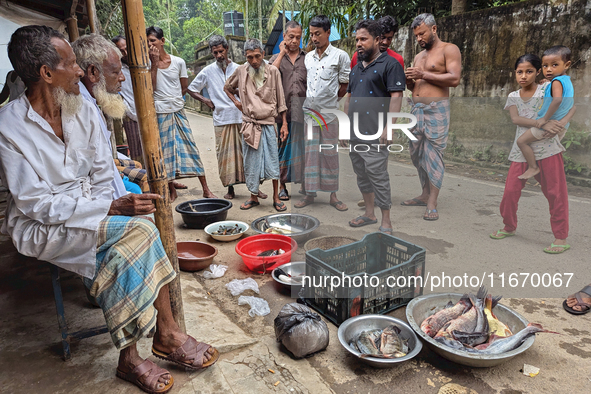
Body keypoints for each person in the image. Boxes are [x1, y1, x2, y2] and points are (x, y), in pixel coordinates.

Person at [0, 25, 218, 394]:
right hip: (42, 225)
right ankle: (162, 336)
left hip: (89, 210)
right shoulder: (9, 127)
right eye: (71, 63)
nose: (81, 72)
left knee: (128, 240)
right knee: (140, 231)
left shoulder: (80, 108)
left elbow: (103, 176)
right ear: (46, 73)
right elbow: (35, 204)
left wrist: (113, 206)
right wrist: (109, 208)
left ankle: (137, 354)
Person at [490, 54, 575, 254]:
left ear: (538, 72)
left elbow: (567, 104)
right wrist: (541, 122)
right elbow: (515, 119)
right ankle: (508, 226)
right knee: (510, 191)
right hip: (522, 150)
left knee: (555, 193)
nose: (523, 76)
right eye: (519, 71)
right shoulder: (513, 96)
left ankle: (561, 238)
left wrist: (560, 124)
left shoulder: (547, 88)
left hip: (547, 148)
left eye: (529, 71)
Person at [345, 20, 405, 234]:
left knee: (378, 175)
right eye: (356, 40)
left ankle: (386, 219)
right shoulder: (356, 69)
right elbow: (349, 98)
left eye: (363, 39)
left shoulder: (390, 65)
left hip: (376, 132)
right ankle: (369, 213)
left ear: (378, 40)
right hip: (355, 132)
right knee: (361, 174)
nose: (358, 44)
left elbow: (396, 97)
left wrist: (389, 127)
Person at [72, 34, 148, 195]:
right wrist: (120, 202)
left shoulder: (91, 102)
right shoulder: (83, 107)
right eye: (116, 72)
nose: (122, 78)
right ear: (93, 72)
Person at [402, 13, 461, 221]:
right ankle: (424, 193)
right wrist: (409, 81)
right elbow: (417, 84)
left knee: (433, 155)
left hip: (437, 110)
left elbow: (454, 79)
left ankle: (432, 202)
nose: (419, 39)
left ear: (434, 29)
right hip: (416, 110)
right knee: (416, 154)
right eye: (416, 35)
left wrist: (422, 75)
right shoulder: (419, 57)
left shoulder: (449, 49)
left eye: (422, 34)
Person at [146, 26, 216, 201]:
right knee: (166, 153)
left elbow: (184, 87)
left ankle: (206, 189)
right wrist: (153, 64)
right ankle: (172, 189)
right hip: (160, 112)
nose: (150, 45)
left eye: (152, 41)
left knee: (191, 147)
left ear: (162, 41)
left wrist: (174, 100)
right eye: (147, 42)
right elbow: (151, 88)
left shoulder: (178, 62)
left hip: (177, 110)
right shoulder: (147, 64)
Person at [223, 38, 288, 212]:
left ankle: (276, 197)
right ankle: (253, 197)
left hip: (268, 123)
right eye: (250, 57)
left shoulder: (273, 71)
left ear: (263, 54)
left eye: (257, 56)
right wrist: (236, 102)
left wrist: (284, 124)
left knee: (273, 161)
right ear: (245, 56)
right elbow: (227, 87)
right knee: (251, 163)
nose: (254, 61)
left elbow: (281, 99)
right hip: (250, 124)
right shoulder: (241, 70)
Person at [296, 15, 350, 212]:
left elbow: (344, 85)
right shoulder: (308, 57)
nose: (314, 38)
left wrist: (330, 103)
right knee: (310, 155)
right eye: (311, 34)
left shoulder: (340, 56)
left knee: (329, 154)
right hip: (309, 115)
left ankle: (333, 196)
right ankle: (310, 194)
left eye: (318, 34)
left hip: (329, 116)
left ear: (328, 32)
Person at [187, 35, 248, 200]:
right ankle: (230, 189)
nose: (219, 55)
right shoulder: (207, 71)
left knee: (246, 153)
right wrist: (205, 100)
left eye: (221, 51)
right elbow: (191, 89)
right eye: (215, 53)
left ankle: (252, 189)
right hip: (221, 118)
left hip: (240, 116)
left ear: (226, 49)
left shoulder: (239, 68)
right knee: (224, 155)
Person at [515, 46, 574, 180]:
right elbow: (567, 103)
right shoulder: (566, 81)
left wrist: (544, 119)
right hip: (562, 125)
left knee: (522, 142)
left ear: (567, 64)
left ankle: (533, 168)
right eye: (545, 66)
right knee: (547, 149)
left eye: (554, 65)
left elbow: (557, 100)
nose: (549, 69)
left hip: (549, 123)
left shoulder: (556, 82)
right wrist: (549, 83)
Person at [269, 20, 307, 201]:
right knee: (282, 151)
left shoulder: (308, 58)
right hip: (281, 115)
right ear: (283, 37)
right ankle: (282, 186)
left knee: (303, 151)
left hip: (303, 113)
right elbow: (269, 76)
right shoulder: (276, 58)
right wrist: (282, 52)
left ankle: (305, 186)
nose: (294, 40)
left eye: (298, 37)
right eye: (291, 36)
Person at [111, 35, 144, 165]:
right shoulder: (117, 69)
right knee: (136, 150)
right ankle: (142, 177)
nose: (125, 54)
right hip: (130, 113)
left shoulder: (143, 63)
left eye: (126, 49)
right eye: (121, 51)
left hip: (149, 112)